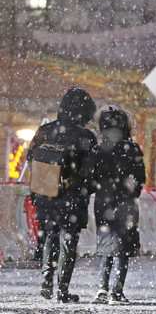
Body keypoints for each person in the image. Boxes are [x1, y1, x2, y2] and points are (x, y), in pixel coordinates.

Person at [26, 87, 97, 303]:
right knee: (68, 241)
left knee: (51, 235)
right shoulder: (86, 136)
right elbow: (92, 172)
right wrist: (79, 185)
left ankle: (47, 277)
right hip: (73, 197)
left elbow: (32, 159)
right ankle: (63, 290)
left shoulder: (45, 130)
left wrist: (49, 182)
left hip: (47, 195)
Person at [89, 105, 146, 305]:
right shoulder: (132, 149)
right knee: (123, 249)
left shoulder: (97, 150)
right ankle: (117, 291)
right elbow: (140, 179)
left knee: (107, 246)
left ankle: (102, 288)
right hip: (126, 204)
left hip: (104, 203)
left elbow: (91, 178)